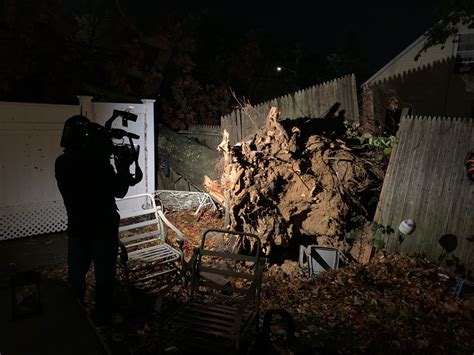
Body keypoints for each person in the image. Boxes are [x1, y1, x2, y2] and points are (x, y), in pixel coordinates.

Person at [55, 115, 132, 326]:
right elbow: (120, 190)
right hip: (102, 231)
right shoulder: (98, 166)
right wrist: (123, 166)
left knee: (76, 276)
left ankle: (75, 317)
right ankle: (102, 317)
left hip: (77, 229)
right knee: (104, 278)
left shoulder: (61, 163)